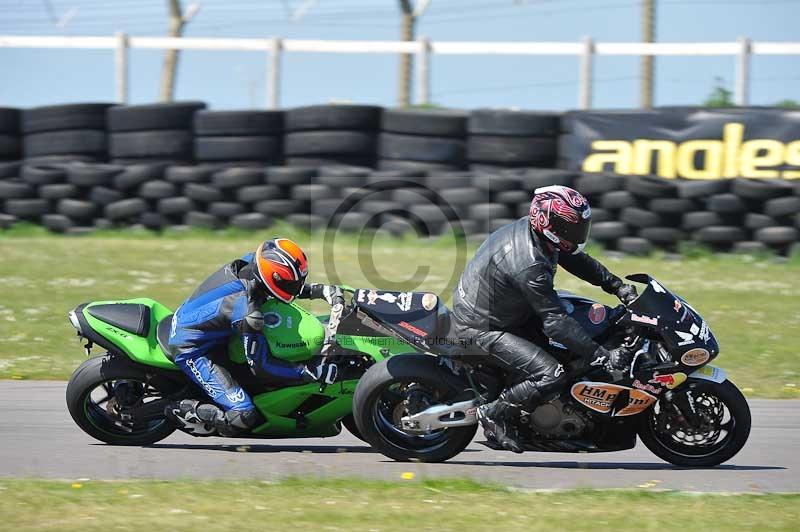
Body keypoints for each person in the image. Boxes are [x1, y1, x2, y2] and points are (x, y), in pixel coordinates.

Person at [450, 185, 638, 453]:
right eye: (570, 227)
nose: (576, 234)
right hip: (482, 328)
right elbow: (555, 323)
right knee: (552, 373)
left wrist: (616, 286)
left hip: (504, 312)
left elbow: (576, 259)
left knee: (570, 348)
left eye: (579, 226)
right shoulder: (531, 264)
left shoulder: (539, 235)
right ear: (547, 222)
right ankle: (496, 413)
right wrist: (601, 355)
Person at [164, 237, 328, 437]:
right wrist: (308, 372)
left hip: (201, 324)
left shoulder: (252, 263)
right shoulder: (247, 313)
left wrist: (319, 290)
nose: (297, 286)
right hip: (191, 348)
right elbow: (261, 366)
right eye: (291, 283)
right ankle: (177, 408)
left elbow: (281, 284)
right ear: (273, 278)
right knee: (243, 416)